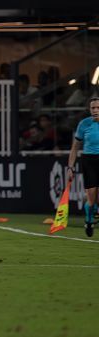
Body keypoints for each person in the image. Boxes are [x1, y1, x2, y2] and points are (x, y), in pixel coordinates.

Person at [69, 97, 99, 237]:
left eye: (98, 108)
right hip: (89, 161)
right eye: (92, 108)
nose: (95, 110)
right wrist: (70, 167)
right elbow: (75, 148)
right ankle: (88, 219)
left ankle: (96, 212)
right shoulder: (84, 124)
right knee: (91, 199)